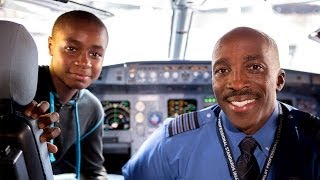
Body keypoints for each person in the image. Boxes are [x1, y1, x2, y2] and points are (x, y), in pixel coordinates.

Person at [121, 27, 320, 179]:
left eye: (254, 67)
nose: (236, 83)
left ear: (279, 80)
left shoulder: (313, 140)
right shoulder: (172, 142)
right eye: (222, 71)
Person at [33, 10, 109, 179]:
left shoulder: (91, 108)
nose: (84, 62)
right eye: (71, 48)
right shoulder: (20, 90)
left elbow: (93, 170)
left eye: (95, 54)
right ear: (51, 46)